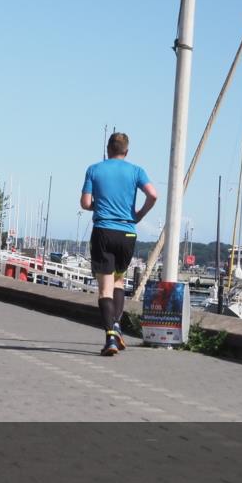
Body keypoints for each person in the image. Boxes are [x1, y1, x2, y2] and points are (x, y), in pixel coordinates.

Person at [80, 132, 157, 356]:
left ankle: (111, 338)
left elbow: (85, 203)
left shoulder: (94, 169)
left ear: (108, 149)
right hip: (127, 234)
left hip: (104, 230)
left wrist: (100, 204)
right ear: (126, 151)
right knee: (119, 282)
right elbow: (153, 194)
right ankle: (117, 327)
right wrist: (139, 214)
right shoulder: (136, 171)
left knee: (104, 289)